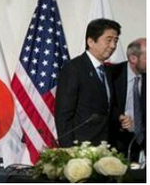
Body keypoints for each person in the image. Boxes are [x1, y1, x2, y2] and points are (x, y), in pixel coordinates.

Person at [55, 18, 120, 147]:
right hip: (81, 148)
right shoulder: (74, 68)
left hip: (106, 146)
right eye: (109, 40)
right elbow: (63, 114)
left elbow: (104, 108)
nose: (113, 46)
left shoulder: (108, 70)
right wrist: (68, 150)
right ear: (91, 41)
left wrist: (120, 118)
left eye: (115, 40)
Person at [111, 38, 146, 161]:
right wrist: (119, 118)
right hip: (116, 142)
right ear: (133, 59)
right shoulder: (112, 75)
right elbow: (103, 106)